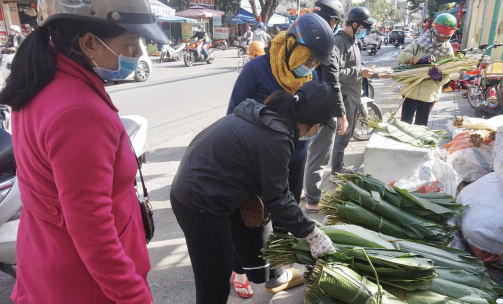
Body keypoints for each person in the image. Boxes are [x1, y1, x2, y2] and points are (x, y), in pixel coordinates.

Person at [0, 1, 168, 304]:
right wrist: (133, 296)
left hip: (45, 256)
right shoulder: (80, 113)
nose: (139, 54)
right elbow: (92, 229)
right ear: (89, 42)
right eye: (130, 45)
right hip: (87, 284)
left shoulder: (41, 77)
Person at [171, 81, 337, 304]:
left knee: (230, 258)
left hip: (204, 186)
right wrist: (311, 233)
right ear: (314, 123)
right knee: (214, 280)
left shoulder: (265, 116)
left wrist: (306, 226)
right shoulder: (275, 138)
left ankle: (271, 276)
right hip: (199, 201)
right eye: (322, 126)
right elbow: (277, 198)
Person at [226, 13, 334, 298]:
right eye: (308, 59)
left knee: (282, 215)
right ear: (292, 46)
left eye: (314, 63)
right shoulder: (257, 71)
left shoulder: (308, 74)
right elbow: (232, 117)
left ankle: (275, 268)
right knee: (251, 217)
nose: (310, 67)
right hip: (256, 163)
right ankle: (239, 271)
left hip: (295, 154)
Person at [304, 0, 348, 212]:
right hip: (319, 109)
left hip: (295, 105)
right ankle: (313, 200)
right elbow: (333, 83)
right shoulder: (326, 42)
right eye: (336, 22)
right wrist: (341, 114)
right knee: (319, 154)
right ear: (332, 21)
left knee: (301, 153)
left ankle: (302, 189)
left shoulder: (299, 35)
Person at [329, 7, 377, 182]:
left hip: (354, 94)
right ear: (355, 24)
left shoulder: (352, 40)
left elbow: (355, 66)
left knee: (347, 135)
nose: (366, 31)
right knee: (342, 136)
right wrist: (359, 72)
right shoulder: (339, 42)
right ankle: (335, 172)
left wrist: (373, 74)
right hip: (345, 95)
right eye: (365, 27)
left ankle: (339, 167)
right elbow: (335, 72)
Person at [397, 13, 456, 126]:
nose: (442, 38)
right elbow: (401, 56)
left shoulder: (448, 52)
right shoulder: (419, 43)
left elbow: (448, 75)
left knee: (421, 125)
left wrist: (439, 78)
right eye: (439, 34)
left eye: (446, 36)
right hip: (411, 90)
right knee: (404, 123)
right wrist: (418, 60)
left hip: (429, 93)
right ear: (433, 30)